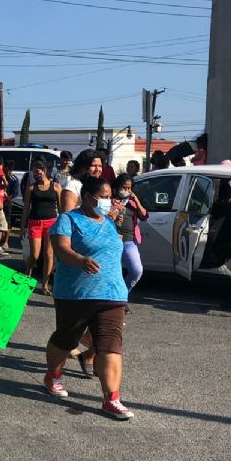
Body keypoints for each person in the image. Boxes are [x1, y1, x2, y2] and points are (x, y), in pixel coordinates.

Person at [44, 176, 134, 420]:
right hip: (75, 294)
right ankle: (53, 375)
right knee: (66, 338)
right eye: (103, 197)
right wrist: (80, 260)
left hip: (112, 294)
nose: (107, 201)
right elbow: (61, 249)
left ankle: (111, 398)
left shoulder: (108, 222)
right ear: (87, 196)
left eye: (108, 197)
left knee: (110, 345)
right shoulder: (68, 219)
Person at [21, 161, 62, 294]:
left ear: (44, 171)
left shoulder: (56, 187)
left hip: (51, 222)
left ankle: (45, 285)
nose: (35, 174)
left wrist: (63, 225)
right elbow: (26, 207)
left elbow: (61, 209)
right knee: (34, 255)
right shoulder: (31, 187)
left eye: (37, 171)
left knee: (49, 254)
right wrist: (22, 226)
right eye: (33, 172)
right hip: (35, 222)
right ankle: (27, 276)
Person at [112, 174, 147, 292]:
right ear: (117, 187)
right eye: (124, 188)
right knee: (113, 272)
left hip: (129, 241)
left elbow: (144, 216)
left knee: (137, 270)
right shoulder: (108, 200)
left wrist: (136, 200)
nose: (127, 191)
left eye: (129, 188)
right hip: (112, 241)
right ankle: (115, 300)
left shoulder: (131, 203)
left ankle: (123, 294)